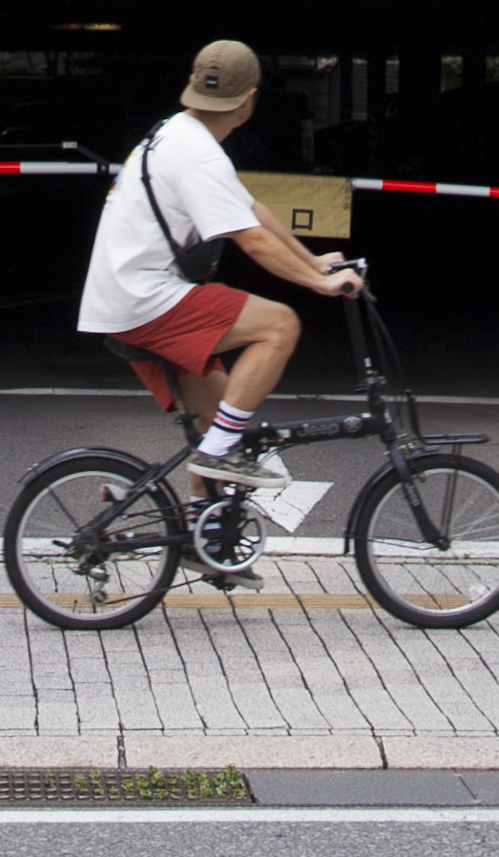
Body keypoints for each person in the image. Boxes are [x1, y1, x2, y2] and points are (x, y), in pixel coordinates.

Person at [77, 37, 360, 573]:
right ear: (250, 99)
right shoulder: (199, 153)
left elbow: (252, 209)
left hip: (127, 295)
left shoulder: (178, 133)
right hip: (146, 297)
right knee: (280, 325)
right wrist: (317, 287)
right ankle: (218, 454)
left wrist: (315, 262)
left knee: (221, 416)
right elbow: (251, 241)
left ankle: (198, 540)